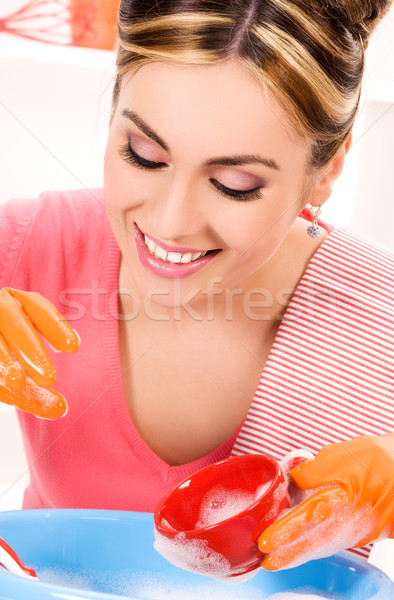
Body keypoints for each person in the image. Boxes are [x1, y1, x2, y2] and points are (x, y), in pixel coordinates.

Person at [0, 0, 393, 572]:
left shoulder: (380, 317)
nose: (170, 222)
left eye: (235, 184)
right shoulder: (33, 243)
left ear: (328, 169)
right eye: (144, 154)